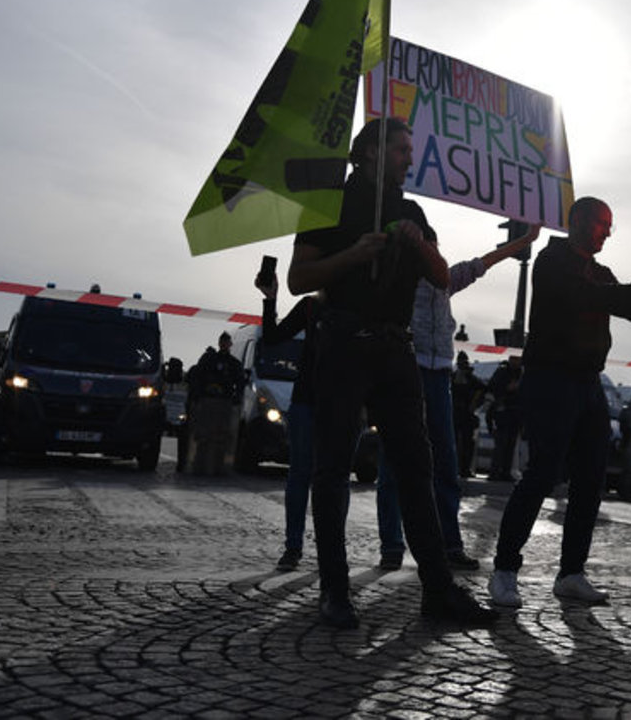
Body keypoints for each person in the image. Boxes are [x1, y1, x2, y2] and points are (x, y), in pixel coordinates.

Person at [287, 116, 495, 629]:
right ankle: (335, 590)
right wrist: (354, 254)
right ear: (372, 152)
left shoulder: (411, 209)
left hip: (396, 349)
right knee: (332, 466)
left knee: (415, 469)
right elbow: (298, 278)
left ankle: (438, 592)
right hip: (342, 342)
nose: (409, 158)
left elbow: (442, 275)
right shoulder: (327, 202)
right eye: (402, 149)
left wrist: (417, 241)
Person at [488, 196, 631, 608]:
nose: (607, 232)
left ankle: (571, 573)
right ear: (579, 220)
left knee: (590, 478)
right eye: (603, 223)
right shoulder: (552, 262)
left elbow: (630, 307)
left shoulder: (600, 272)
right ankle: (504, 570)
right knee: (542, 472)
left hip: (587, 382)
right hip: (550, 378)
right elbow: (598, 298)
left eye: (610, 225)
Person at [375, 223, 540, 571]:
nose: (434, 255)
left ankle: (450, 545)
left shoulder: (448, 281)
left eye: (435, 248)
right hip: (409, 372)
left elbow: (485, 262)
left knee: (446, 465)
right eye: (427, 249)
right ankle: (392, 545)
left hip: (439, 378)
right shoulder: (400, 283)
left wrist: (524, 242)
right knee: (394, 462)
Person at [257, 274, 320, 572]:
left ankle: (329, 550)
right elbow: (272, 337)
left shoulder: (358, 307)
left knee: (331, 480)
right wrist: (270, 300)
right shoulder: (310, 306)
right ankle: (293, 547)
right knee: (301, 475)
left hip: (338, 403)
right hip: (307, 399)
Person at [186, 332, 244, 476]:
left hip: (225, 403)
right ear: (219, 343)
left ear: (230, 344)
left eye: (227, 342)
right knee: (203, 437)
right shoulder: (208, 359)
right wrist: (196, 396)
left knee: (221, 437)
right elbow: (195, 377)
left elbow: (241, 383)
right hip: (207, 402)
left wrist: (237, 398)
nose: (224, 345)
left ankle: (219, 467)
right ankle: (200, 466)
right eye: (222, 342)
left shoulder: (234, 364)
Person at [485, 355, 525, 481]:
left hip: (516, 412)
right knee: (501, 444)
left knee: (511, 445)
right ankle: (495, 472)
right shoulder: (502, 371)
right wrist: (507, 388)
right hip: (503, 411)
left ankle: (505, 472)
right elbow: (492, 388)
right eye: (514, 359)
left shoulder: (522, 373)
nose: (516, 362)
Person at [451, 351, 485, 478]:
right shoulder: (453, 377)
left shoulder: (472, 379)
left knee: (467, 445)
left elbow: (483, 390)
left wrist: (474, 405)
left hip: (466, 415)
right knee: (454, 443)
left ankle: (465, 469)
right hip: (455, 414)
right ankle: (456, 468)